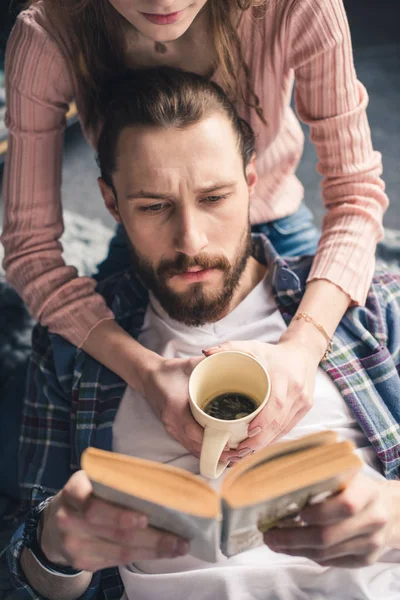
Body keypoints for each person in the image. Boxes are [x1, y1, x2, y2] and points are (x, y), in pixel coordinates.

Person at [7, 67, 400, 600]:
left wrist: (394, 520)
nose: (190, 241)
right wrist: (54, 544)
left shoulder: (371, 302)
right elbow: (23, 582)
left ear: (251, 183)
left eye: (214, 198)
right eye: (153, 206)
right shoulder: (71, 352)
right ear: (110, 202)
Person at [0, 0, 390, 464]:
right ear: (110, 200)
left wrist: (303, 349)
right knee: (19, 436)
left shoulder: (299, 8)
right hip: (146, 236)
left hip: (278, 225)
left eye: (215, 196)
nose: (164, 3)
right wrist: (145, 372)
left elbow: (356, 195)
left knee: (367, 365)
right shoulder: (48, 34)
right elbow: (30, 248)